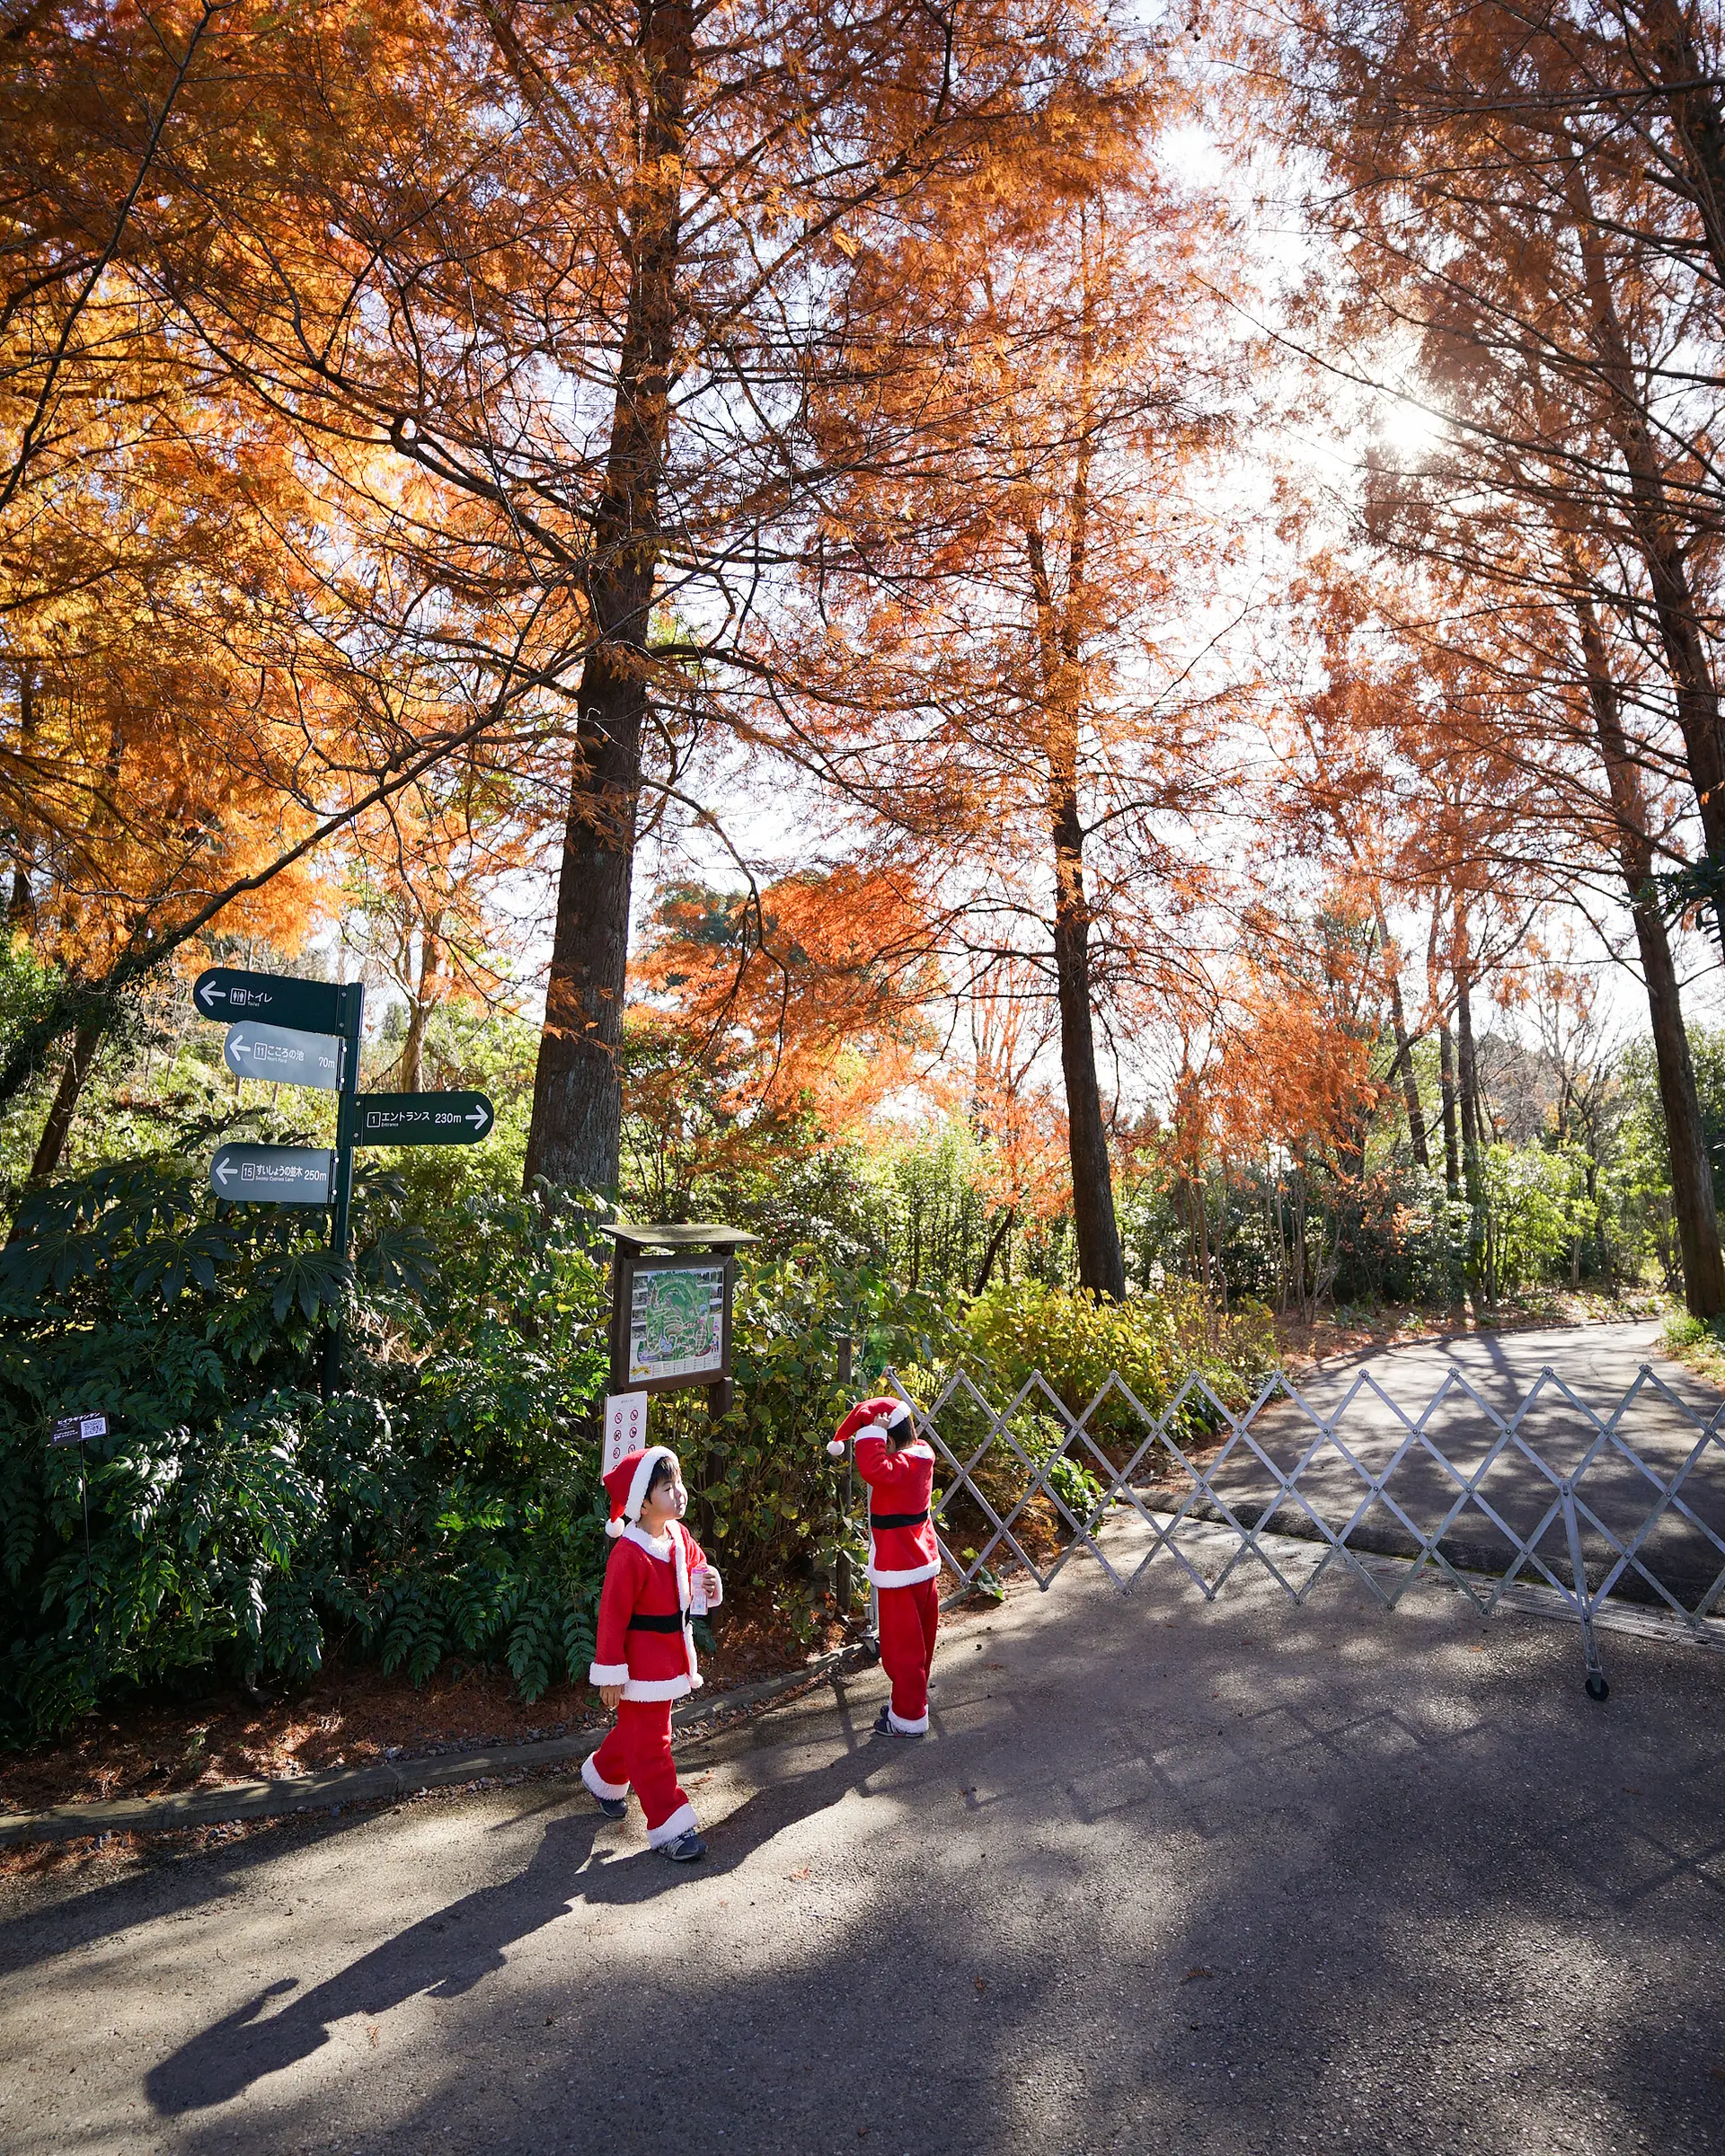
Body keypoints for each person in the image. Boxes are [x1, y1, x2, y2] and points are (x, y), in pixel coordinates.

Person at [580, 1445, 722, 1861]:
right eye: (667, 1486)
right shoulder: (628, 1554)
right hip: (639, 1669)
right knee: (653, 1746)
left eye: (678, 1483)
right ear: (643, 1502)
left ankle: (604, 1774)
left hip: (672, 1659)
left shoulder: (678, 1536)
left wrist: (710, 1581)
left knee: (639, 1735)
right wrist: (610, 1674)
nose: (680, 1492)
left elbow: (697, 1570)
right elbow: (611, 1617)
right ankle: (670, 1825)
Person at [828, 1395, 941, 1737]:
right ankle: (912, 1701)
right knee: (922, 1640)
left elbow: (873, 1468)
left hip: (899, 1571)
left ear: (888, 1441)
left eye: (880, 1443)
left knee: (901, 1648)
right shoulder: (921, 1457)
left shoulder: (898, 1468)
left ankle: (907, 1717)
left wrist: (870, 1435)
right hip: (924, 1563)